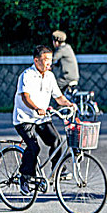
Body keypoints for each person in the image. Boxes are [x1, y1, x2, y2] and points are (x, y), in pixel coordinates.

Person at [13, 45, 75, 195]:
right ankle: (25, 177)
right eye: (45, 59)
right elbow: (25, 97)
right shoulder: (26, 75)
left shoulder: (50, 76)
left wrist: (69, 104)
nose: (49, 62)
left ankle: (57, 170)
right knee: (34, 147)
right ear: (36, 60)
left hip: (42, 118)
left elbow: (58, 97)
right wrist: (36, 108)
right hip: (24, 118)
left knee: (56, 140)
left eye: (50, 59)